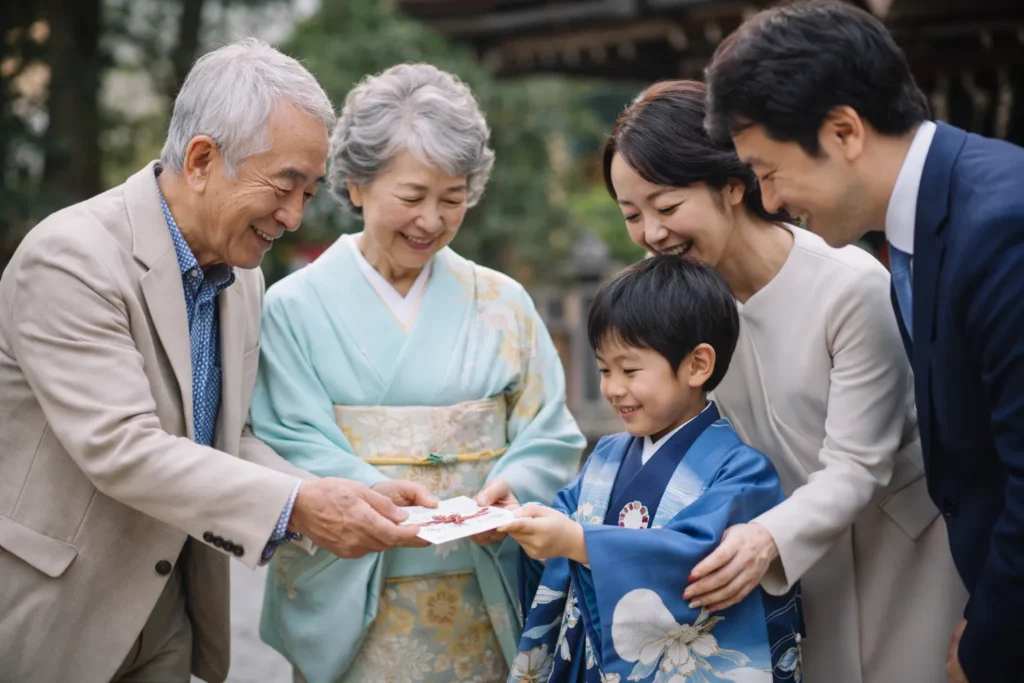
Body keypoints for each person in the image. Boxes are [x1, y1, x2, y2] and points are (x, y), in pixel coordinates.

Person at [0, 39, 430, 683]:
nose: (293, 216)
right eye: (285, 186)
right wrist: (297, 505)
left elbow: (228, 438)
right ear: (202, 159)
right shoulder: (71, 258)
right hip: (59, 609)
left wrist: (349, 493)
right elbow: (123, 446)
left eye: (310, 193)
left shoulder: (243, 274)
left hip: (170, 607)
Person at [602, 79, 966, 683]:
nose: (651, 234)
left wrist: (766, 539)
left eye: (666, 207)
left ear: (732, 184)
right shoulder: (666, 301)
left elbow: (856, 464)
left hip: (894, 551)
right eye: (631, 216)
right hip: (761, 558)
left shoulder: (847, 287)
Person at [703, 2, 1024, 681]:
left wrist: (991, 639)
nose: (768, 198)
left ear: (844, 130)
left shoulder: (1000, 225)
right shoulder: (928, 225)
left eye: (768, 168)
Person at [250, 62, 585, 683]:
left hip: (484, 589)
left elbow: (550, 430)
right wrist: (369, 496)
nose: (431, 220)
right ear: (354, 184)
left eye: (452, 198)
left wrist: (514, 485)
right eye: (411, 197)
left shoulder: (503, 301)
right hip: (356, 588)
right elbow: (285, 435)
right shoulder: (293, 307)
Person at [501, 255, 803, 683]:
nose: (612, 388)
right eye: (604, 369)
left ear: (697, 364)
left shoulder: (742, 471)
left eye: (629, 369)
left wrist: (578, 541)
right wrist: (518, 521)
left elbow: (697, 558)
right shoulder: (606, 457)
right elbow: (561, 529)